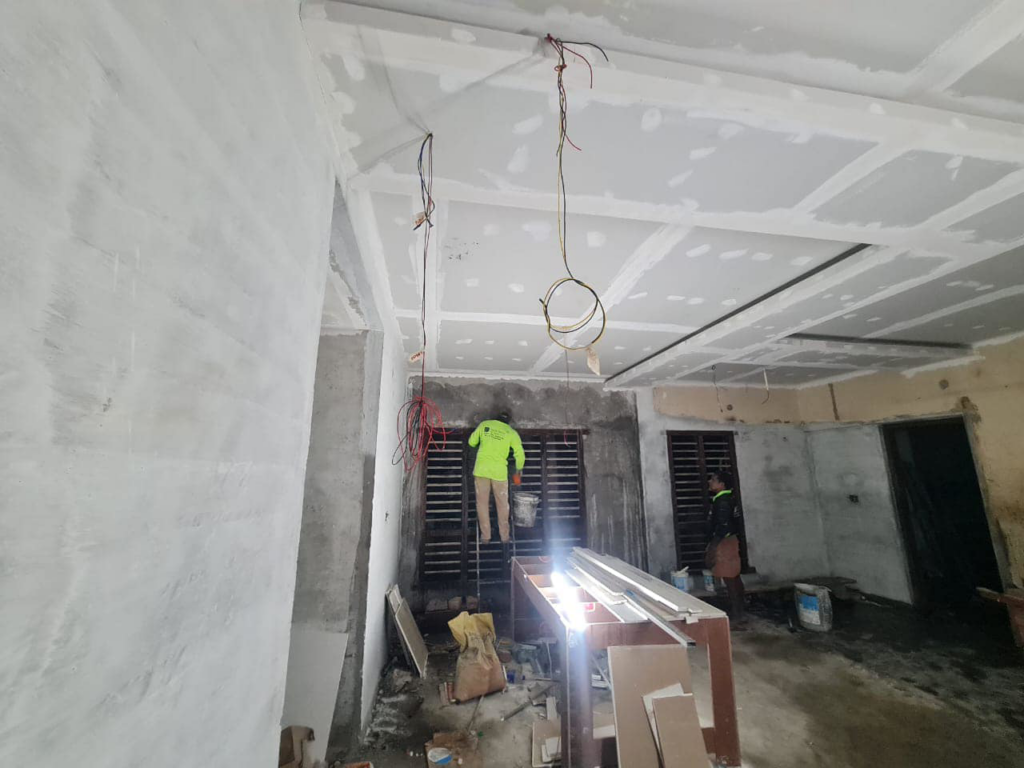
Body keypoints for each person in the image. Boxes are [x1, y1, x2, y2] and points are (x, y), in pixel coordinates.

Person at [468, 412, 525, 544]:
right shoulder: (511, 432)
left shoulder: (484, 425)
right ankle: (504, 537)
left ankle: (485, 536)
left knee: (482, 504)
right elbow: (520, 455)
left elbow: (471, 442)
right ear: (508, 422)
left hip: (481, 470)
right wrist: (518, 469)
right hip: (499, 473)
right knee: (503, 505)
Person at [706, 470, 745, 624]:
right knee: (734, 576)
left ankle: (737, 614)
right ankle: (739, 610)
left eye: (713, 479)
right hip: (729, 540)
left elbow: (723, 526)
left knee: (729, 577)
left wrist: (713, 546)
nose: (710, 481)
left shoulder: (722, 501)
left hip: (725, 541)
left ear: (722, 484)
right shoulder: (726, 499)